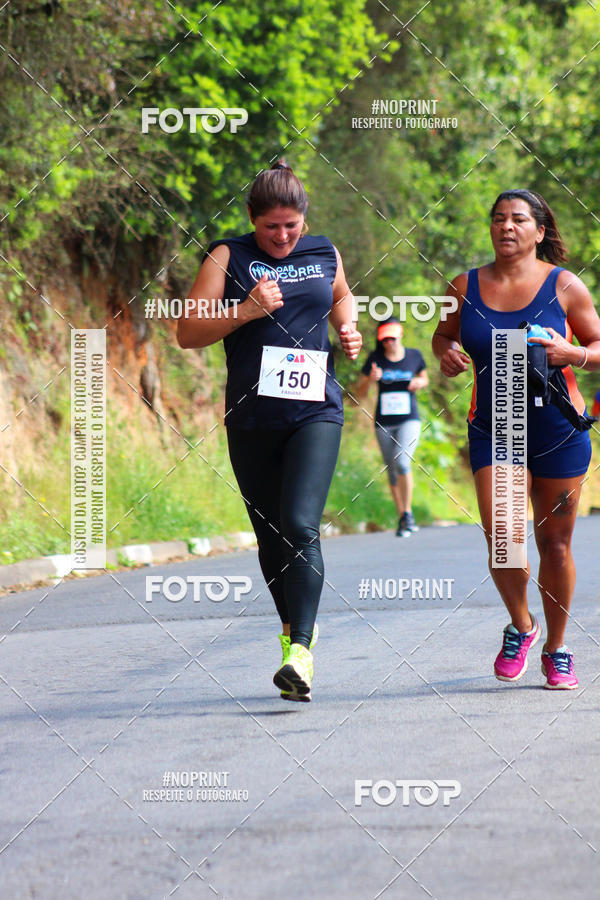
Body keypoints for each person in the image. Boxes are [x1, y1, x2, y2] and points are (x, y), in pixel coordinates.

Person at [177, 160, 361, 702]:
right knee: (270, 537)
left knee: (301, 524)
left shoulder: (323, 251)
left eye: (291, 226)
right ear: (251, 220)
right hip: (253, 417)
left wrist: (346, 327)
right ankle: (291, 639)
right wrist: (245, 310)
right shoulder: (227, 256)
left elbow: (342, 294)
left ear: (305, 218)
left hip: (314, 411)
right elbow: (188, 331)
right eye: (270, 227)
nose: (282, 237)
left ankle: (302, 650)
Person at [433, 188, 600, 689]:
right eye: (499, 218)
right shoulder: (464, 285)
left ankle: (557, 647)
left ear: (539, 231)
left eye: (519, 219)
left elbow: (597, 344)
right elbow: (444, 334)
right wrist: (445, 352)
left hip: (558, 430)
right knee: (504, 539)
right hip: (497, 427)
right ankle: (522, 626)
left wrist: (574, 355)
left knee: (555, 544)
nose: (507, 226)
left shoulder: (565, 286)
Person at [357, 318, 428, 536]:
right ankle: (403, 517)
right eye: (385, 339)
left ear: (400, 335)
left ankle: (406, 514)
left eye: (392, 337)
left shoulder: (414, 356)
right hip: (383, 422)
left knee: (402, 461)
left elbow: (424, 378)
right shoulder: (375, 359)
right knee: (392, 470)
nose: (389, 342)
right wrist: (371, 379)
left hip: (409, 419)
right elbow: (359, 392)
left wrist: (419, 383)